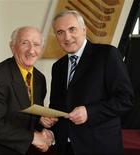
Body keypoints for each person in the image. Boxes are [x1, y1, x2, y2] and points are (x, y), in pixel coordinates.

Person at [40, 10, 134, 154]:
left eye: (72, 29)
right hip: (66, 148)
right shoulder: (58, 66)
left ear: (84, 30)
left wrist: (89, 112)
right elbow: (57, 107)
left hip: (100, 147)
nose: (67, 37)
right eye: (60, 32)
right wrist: (50, 125)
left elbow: (125, 99)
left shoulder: (107, 54)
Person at [0, 26, 54, 154]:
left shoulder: (39, 78)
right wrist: (34, 137)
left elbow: (24, 113)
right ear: (12, 46)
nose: (31, 50)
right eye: (25, 43)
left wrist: (41, 122)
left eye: (36, 44)